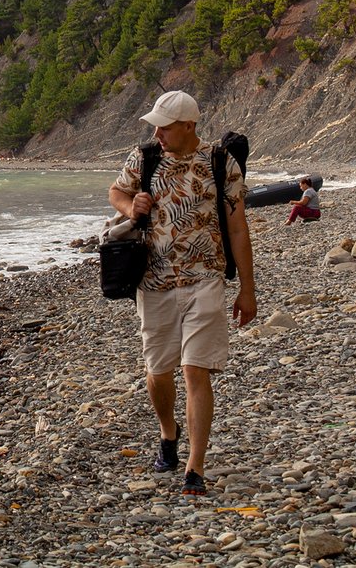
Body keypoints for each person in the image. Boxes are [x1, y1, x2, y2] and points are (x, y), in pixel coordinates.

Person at [109, 90, 256, 498]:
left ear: (189, 125)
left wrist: (247, 289)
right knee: (158, 371)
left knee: (196, 370)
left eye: (165, 126)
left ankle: (195, 467)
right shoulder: (145, 157)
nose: (157, 133)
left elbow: (239, 228)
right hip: (153, 282)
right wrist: (130, 207)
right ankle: (167, 433)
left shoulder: (220, 162)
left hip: (205, 279)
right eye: (154, 125)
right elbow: (115, 193)